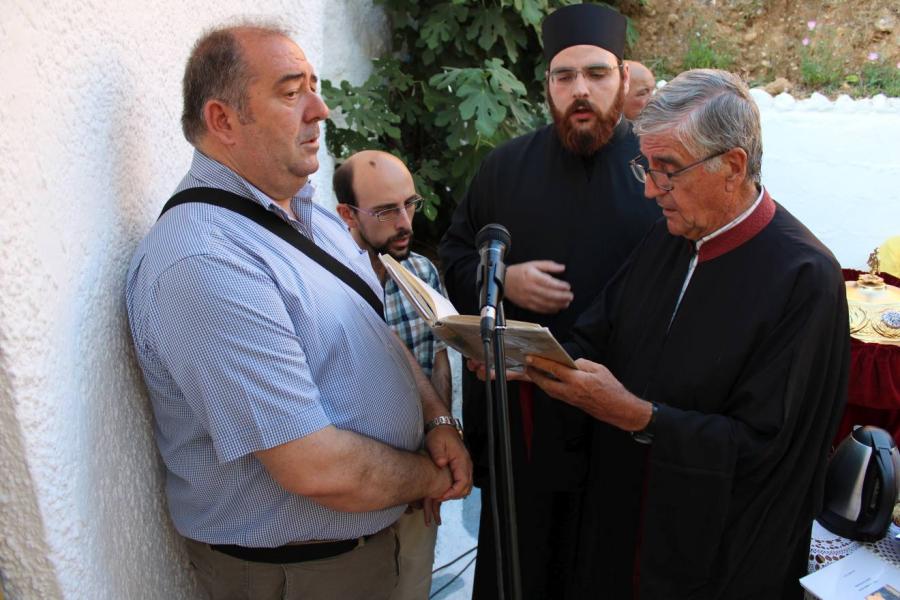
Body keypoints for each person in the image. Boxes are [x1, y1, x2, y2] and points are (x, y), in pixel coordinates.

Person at [125, 23, 471, 600]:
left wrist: (435, 419)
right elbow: (315, 467)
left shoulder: (311, 216)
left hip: (366, 540)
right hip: (303, 573)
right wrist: (431, 476)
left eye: (314, 86)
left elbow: (376, 334)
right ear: (223, 120)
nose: (320, 109)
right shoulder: (205, 260)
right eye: (291, 93)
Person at [524, 69, 850, 598]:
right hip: (623, 518)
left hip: (713, 555)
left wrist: (638, 415)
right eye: (646, 167)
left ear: (733, 166)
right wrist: (523, 357)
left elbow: (768, 449)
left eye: (668, 170)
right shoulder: (670, 236)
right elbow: (599, 333)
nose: (650, 190)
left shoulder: (805, 278)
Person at [438, 4, 661, 598]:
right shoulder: (504, 168)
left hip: (624, 418)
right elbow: (455, 254)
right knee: (522, 563)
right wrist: (504, 281)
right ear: (548, 87)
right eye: (565, 76)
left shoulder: (658, 171)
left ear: (623, 77)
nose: (580, 89)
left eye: (597, 73)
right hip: (528, 423)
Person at [334, 150, 453, 599]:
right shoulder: (331, 287)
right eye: (386, 211)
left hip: (425, 479)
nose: (404, 222)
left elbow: (436, 358)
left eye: (409, 204)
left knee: (414, 586)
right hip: (363, 490)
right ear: (347, 214)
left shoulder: (421, 272)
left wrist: (442, 438)